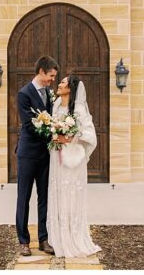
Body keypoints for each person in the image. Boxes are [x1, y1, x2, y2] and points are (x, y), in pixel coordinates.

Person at [46, 74, 102, 258]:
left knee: (71, 195)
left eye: (63, 82)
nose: (59, 84)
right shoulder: (55, 105)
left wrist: (68, 137)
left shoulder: (78, 109)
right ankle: (58, 238)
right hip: (57, 157)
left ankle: (74, 237)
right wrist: (54, 136)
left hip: (73, 161)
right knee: (59, 193)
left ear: (70, 88)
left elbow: (90, 135)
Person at [15, 56, 59, 256]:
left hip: (45, 155)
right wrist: (53, 133)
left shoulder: (49, 94)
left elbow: (52, 117)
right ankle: (23, 241)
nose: (52, 80)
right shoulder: (24, 94)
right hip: (27, 154)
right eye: (51, 76)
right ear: (41, 71)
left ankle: (43, 239)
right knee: (24, 197)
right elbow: (29, 124)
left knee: (44, 198)